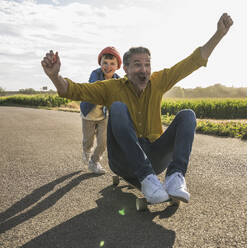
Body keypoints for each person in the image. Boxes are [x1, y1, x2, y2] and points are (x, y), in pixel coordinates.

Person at [41, 13, 233, 204]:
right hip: (123, 161)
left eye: (147, 65)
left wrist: (219, 34)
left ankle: (175, 176)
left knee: (187, 115)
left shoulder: (158, 82)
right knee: (117, 107)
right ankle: (146, 177)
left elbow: (192, 62)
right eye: (137, 65)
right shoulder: (111, 87)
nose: (144, 70)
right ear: (125, 69)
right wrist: (54, 76)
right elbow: (73, 90)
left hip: (155, 159)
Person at [80, 46, 122, 174]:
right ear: (100, 63)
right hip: (89, 113)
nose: (108, 66)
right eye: (105, 63)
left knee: (103, 142)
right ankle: (86, 152)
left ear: (117, 66)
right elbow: (97, 89)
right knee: (88, 140)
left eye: (112, 64)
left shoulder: (118, 80)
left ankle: (94, 162)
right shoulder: (95, 74)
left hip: (104, 115)